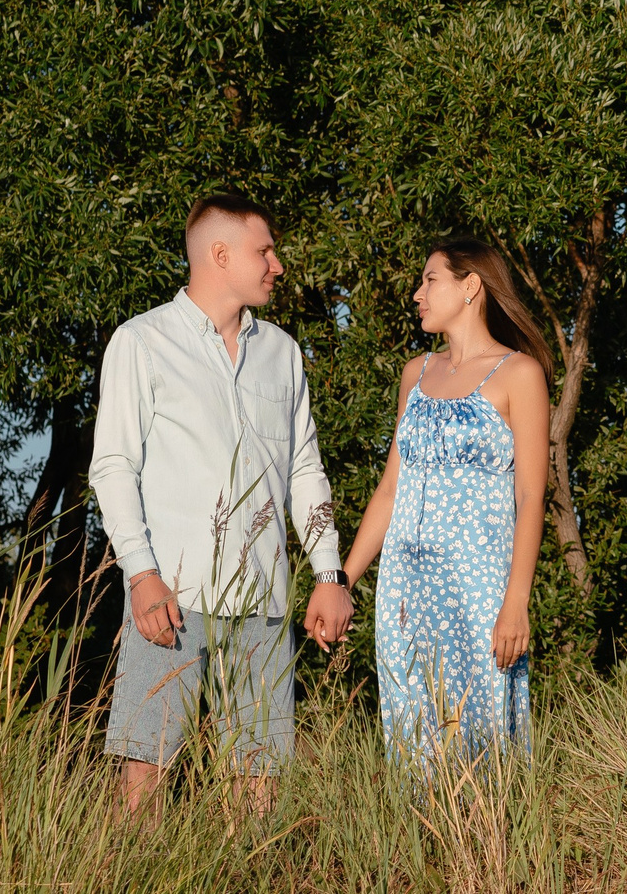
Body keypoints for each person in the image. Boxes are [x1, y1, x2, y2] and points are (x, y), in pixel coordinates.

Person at [88, 193, 355, 813]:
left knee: (259, 781)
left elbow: (306, 468)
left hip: (265, 599)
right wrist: (141, 573)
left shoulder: (282, 353)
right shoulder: (142, 342)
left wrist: (329, 572)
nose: (277, 265)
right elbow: (113, 467)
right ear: (219, 254)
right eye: (265, 251)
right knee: (146, 770)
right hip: (170, 597)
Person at [341, 238, 552, 766]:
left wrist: (517, 600)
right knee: (413, 736)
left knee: (480, 738)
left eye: (430, 280)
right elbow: (391, 489)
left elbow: (531, 495)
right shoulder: (416, 374)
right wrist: (341, 582)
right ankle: (427, 848)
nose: (417, 294)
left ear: (470, 286)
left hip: (479, 591)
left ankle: (487, 846)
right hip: (404, 594)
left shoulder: (519, 374)